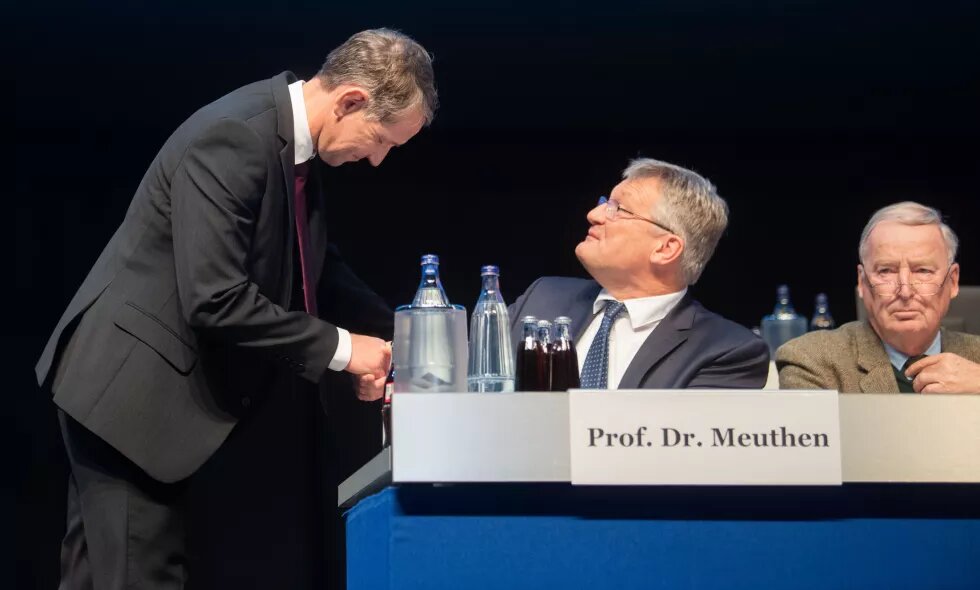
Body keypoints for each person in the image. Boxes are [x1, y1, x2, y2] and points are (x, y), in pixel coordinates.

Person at [34, 28, 438, 588]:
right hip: (130, 398)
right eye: (382, 140)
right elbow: (215, 298)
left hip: (136, 398)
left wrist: (411, 335)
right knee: (135, 577)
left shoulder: (291, 148)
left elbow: (316, 267)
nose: (376, 160)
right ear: (350, 101)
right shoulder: (236, 137)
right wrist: (347, 352)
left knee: (94, 577)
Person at [509, 157, 769, 389]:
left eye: (618, 209)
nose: (594, 215)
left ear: (666, 248)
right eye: (604, 202)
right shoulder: (542, 298)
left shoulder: (727, 351)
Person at [777, 202, 980, 393]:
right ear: (863, 283)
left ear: (952, 282)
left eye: (923, 271)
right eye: (886, 271)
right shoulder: (813, 360)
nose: (905, 292)